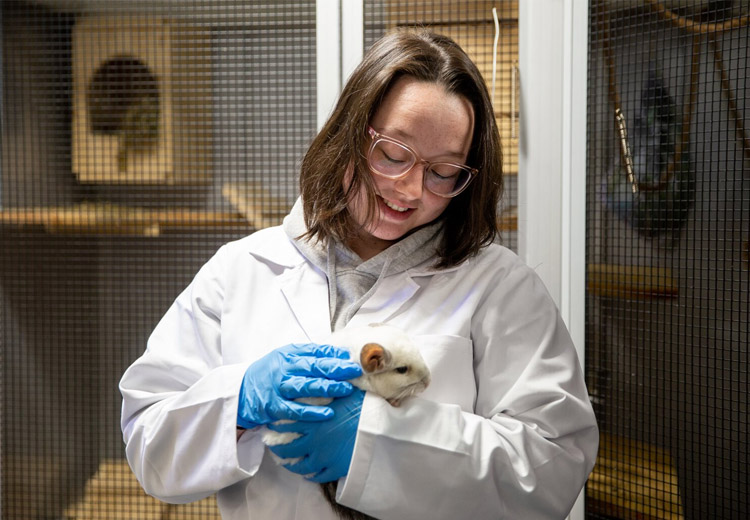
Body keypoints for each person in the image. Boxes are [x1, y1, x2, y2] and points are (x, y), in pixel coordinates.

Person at [120, 30, 599, 520]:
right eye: (393, 153)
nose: (410, 189)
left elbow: (551, 469)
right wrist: (238, 400)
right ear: (349, 131)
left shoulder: (501, 287)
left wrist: (380, 442)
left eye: (444, 171)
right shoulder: (241, 270)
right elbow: (148, 444)